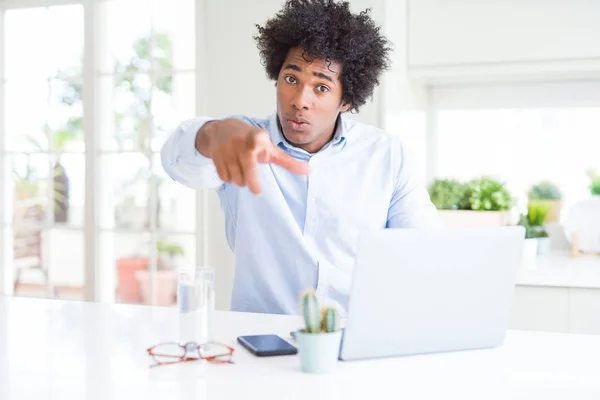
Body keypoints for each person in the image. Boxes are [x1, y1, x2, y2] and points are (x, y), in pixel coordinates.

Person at [161, 0, 439, 315]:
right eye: (291, 79)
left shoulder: (387, 156)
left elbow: (421, 254)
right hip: (259, 342)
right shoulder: (242, 142)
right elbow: (176, 161)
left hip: (351, 341)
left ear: (346, 99)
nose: (299, 101)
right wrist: (213, 134)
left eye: (321, 87)